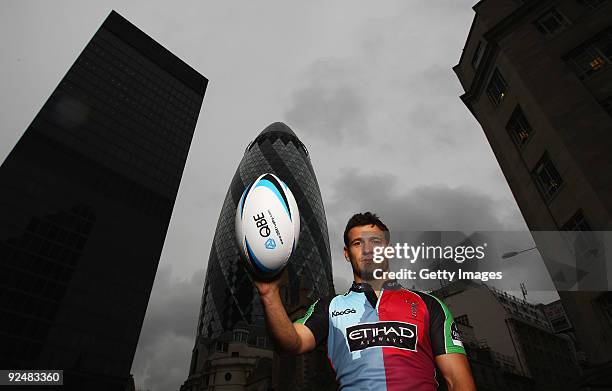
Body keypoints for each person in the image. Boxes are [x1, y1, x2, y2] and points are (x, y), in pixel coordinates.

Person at [254, 212, 476, 391]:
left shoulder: (430, 305)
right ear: (347, 253)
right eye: (358, 243)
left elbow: (459, 381)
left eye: (375, 242)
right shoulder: (330, 307)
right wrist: (269, 294)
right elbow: (292, 342)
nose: (368, 250)